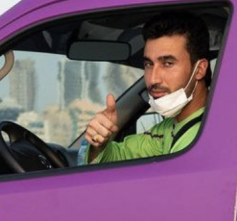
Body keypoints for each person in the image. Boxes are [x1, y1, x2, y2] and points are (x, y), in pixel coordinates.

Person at [79, 11, 212, 165]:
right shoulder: (169, 127)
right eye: (149, 64)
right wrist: (99, 144)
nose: (153, 79)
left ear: (199, 69)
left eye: (168, 63)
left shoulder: (207, 136)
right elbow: (117, 158)